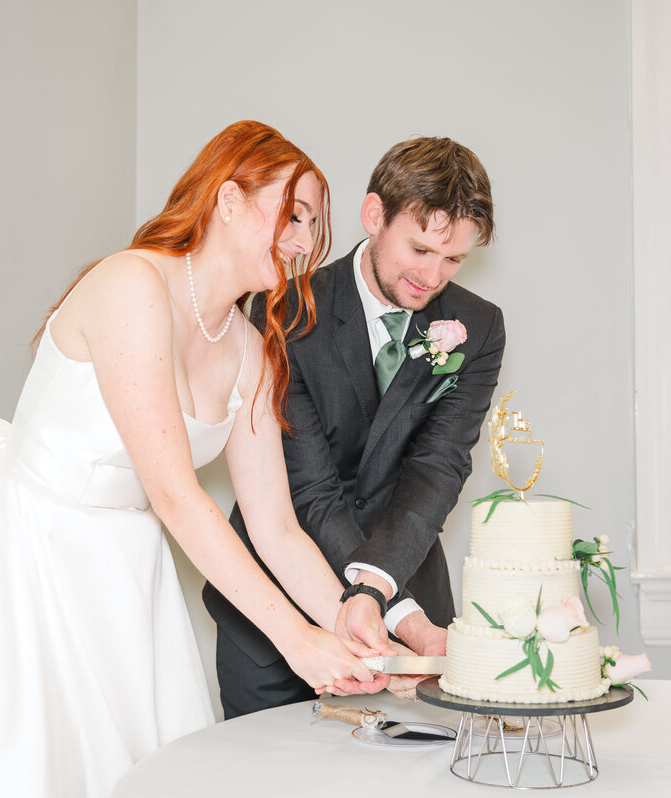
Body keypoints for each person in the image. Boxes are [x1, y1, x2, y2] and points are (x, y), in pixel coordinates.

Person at [0, 120, 385, 797]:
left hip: (126, 578)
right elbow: (175, 494)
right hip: (26, 560)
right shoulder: (132, 285)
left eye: (313, 226)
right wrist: (298, 641)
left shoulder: (253, 350)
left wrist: (351, 618)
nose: (305, 243)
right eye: (294, 214)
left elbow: (276, 527)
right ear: (229, 199)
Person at [205, 136, 505, 718]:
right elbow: (312, 491)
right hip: (277, 613)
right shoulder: (281, 311)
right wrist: (384, 608)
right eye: (420, 249)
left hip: (407, 596)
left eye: (453, 260)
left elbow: (437, 467)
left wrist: (395, 605)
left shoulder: (479, 328)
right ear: (374, 217)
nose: (432, 276)